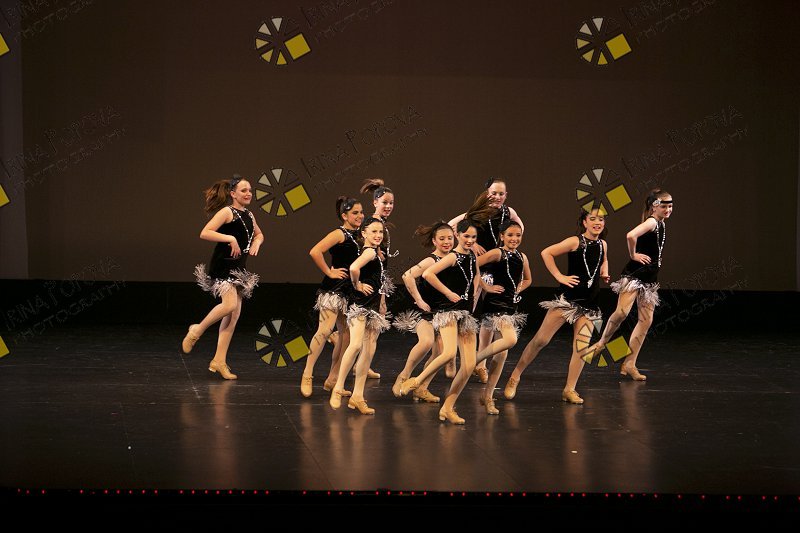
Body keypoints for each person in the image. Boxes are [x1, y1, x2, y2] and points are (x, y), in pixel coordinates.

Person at [504, 208, 609, 404]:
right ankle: (515, 375)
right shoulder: (575, 241)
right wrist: (559, 276)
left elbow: (603, 260)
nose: (597, 223)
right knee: (541, 340)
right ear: (585, 222)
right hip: (568, 302)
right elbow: (547, 253)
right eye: (593, 219)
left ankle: (569, 389)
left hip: (589, 305)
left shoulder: (603, 244)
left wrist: (604, 271)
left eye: (601, 219)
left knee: (581, 349)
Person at [399, 219, 488, 424]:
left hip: (465, 313)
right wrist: (448, 293)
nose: (469, 240)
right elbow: (428, 274)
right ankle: (416, 381)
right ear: (459, 235)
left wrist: (474, 298)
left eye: (473, 237)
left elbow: (476, 276)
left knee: (469, 366)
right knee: (448, 353)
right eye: (466, 236)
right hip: (448, 312)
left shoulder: (472, 256)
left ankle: (447, 408)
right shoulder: (452, 257)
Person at [584, 190, 673, 381]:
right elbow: (631, 235)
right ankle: (601, 343)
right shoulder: (652, 222)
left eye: (670, 206)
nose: (668, 209)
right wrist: (633, 255)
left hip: (649, 279)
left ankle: (630, 363)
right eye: (664, 206)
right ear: (654, 207)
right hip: (635, 275)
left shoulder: (661, 224)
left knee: (646, 320)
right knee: (622, 312)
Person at [182, 175, 263, 380]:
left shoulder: (249, 215)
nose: (248, 194)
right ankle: (197, 330)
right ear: (233, 193)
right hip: (224, 265)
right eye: (244, 190)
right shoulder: (227, 212)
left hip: (239, 268)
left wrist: (257, 242)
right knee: (229, 305)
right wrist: (230, 238)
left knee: (233, 316)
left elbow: (259, 234)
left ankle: (219, 360)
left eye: (250, 190)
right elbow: (205, 232)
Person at [449, 178, 525, 383]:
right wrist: (472, 245)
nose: (497, 197)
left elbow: (520, 228)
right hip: (477, 267)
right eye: (493, 193)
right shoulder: (476, 212)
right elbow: (452, 225)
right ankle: (453, 355)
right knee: (468, 310)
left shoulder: (509, 212)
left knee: (490, 316)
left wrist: (508, 245)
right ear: (486, 194)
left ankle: (480, 364)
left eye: (501, 194)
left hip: (496, 268)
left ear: (506, 195)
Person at [300, 196, 364, 397]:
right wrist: (329, 272)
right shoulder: (339, 233)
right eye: (355, 213)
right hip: (334, 289)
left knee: (346, 336)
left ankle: (333, 378)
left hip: (351, 291)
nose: (360, 216)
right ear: (344, 215)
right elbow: (315, 251)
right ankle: (307, 373)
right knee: (325, 330)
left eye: (361, 212)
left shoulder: (361, 235)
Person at [329, 217, 394, 414]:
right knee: (356, 345)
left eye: (380, 232)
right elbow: (354, 268)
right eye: (374, 231)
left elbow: (379, 280)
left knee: (369, 351)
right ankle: (339, 386)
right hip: (361, 305)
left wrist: (382, 302)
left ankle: (357, 396)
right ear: (363, 233)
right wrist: (357, 284)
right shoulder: (369, 252)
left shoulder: (376, 253)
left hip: (372, 306)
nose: (378, 235)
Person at [392, 221, 456, 403]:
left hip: (444, 313)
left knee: (439, 354)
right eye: (442, 239)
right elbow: (407, 276)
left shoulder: (454, 259)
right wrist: (419, 300)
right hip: (427, 312)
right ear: (434, 241)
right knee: (427, 341)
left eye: (449, 238)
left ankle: (422, 388)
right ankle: (404, 376)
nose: (446, 242)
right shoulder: (431, 260)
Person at [474, 220, 532, 414]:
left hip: (510, 307)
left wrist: (517, 288)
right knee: (511, 339)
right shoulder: (497, 253)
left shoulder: (522, 256)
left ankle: (488, 396)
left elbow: (528, 279)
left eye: (518, 235)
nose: (514, 239)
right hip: (495, 306)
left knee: (501, 356)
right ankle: (475, 359)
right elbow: (473, 264)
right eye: (510, 235)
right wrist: (485, 286)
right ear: (502, 236)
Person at [359, 178, 397, 379]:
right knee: (371, 330)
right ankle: (361, 367)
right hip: (371, 283)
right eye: (384, 202)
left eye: (391, 203)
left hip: (377, 281)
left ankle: (362, 366)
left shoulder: (379, 224)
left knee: (370, 330)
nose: (388, 206)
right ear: (375, 202)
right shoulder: (372, 224)